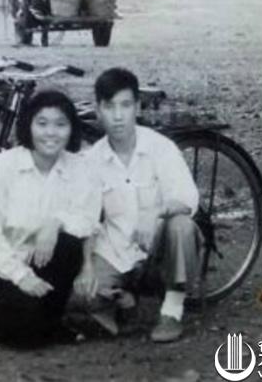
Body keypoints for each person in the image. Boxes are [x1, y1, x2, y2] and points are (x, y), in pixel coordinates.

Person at [76, 68, 201, 343]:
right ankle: (126, 301)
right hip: (117, 252)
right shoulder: (92, 160)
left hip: (159, 253)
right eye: (109, 107)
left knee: (182, 226)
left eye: (125, 105)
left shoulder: (160, 147)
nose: (118, 116)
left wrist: (155, 213)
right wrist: (86, 266)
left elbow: (187, 198)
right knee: (82, 297)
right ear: (98, 111)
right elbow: (87, 219)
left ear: (137, 108)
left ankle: (172, 311)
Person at [0, 91, 99, 346]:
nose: (51, 133)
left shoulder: (80, 167)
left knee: (69, 242)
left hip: (46, 266)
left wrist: (55, 223)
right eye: (42, 123)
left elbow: (89, 220)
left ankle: (47, 321)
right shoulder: (4, 166)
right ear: (28, 125)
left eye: (60, 124)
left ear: (71, 129)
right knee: (25, 332)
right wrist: (21, 276)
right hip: (3, 271)